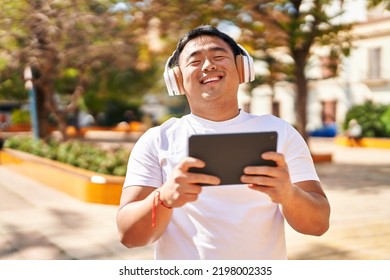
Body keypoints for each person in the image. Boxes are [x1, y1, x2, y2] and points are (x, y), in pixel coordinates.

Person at [116, 25, 330, 260]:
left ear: (242, 68)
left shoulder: (281, 132)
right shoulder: (157, 140)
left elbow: (318, 225)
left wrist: (288, 194)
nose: (209, 66)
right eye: (195, 61)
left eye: (218, 56)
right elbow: (129, 236)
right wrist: (164, 198)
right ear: (177, 78)